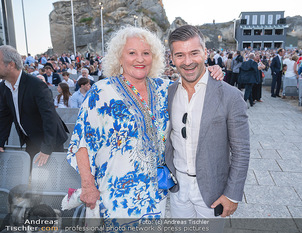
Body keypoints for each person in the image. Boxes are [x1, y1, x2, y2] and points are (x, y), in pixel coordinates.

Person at [66, 26, 223, 225]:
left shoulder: (166, 88)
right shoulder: (101, 92)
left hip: (155, 194)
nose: (140, 59)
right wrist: (88, 186)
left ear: (154, 57)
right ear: (119, 57)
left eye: (146, 53)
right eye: (132, 53)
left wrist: (210, 71)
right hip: (115, 194)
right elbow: (82, 141)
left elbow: (195, 84)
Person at [165, 25, 250, 225]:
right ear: (172, 58)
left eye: (194, 53)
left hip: (213, 191)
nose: (187, 62)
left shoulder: (230, 95)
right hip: (178, 189)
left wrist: (232, 194)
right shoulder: (167, 93)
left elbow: (241, 150)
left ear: (205, 52)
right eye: (180, 55)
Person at [0, 45, 68, 166]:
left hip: (50, 139)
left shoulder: (36, 85)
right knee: (34, 178)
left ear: (10, 64)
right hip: (31, 138)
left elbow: (49, 116)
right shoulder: (3, 87)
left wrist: (47, 148)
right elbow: (5, 117)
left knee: (53, 179)